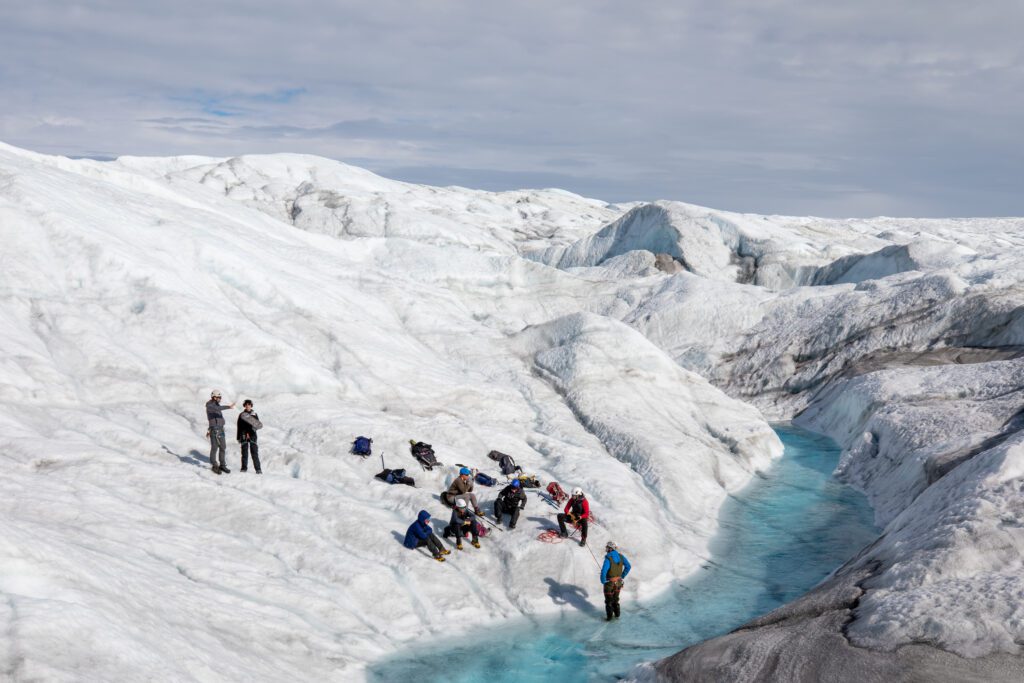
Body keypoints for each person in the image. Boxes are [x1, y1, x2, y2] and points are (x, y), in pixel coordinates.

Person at [205, 390, 236, 474]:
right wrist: (228, 407)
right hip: (214, 430)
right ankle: (214, 465)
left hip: (220, 429)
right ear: (214, 397)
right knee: (215, 447)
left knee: (223, 446)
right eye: (218, 397)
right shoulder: (210, 405)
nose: (220, 399)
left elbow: (215, 417)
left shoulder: (216, 405)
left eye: (220, 397)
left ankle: (222, 465)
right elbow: (216, 409)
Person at [600, 541, 631, 621]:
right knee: (615, 599)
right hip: (619, 582)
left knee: (609, 601)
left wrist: (603, 580)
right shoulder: (621, 557)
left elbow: (604, 571)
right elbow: (628, 566)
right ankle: (617, 615)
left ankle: (609, 618)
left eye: (607, 547)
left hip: (609, 583)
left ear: (610, 549)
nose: (606, 549)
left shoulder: (608, 558)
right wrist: (622, 576)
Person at [236, 399, 263, 474]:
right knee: (244, 453)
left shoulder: (254, 414)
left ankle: (258, 469)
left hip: (252, 435)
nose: (248, 406)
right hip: (243, 434)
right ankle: (244, 468)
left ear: (251, 405)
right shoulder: (241, 414)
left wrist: (251, 431)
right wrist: (238, 437)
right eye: (246, 404)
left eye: (249, 404)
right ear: (244, 406)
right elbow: (239, 426)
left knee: (254, 452)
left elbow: (257, 425)